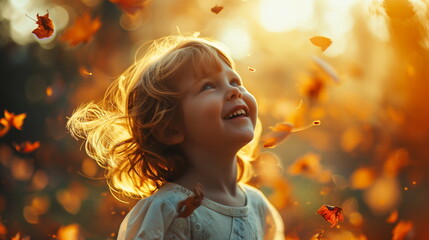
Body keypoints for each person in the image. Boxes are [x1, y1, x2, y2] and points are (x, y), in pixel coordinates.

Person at [67, 35, 284, 239]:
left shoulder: (259, 207)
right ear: (170, 129)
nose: (234, 91)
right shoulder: (169, 210)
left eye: (235, 81)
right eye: (208, 86)